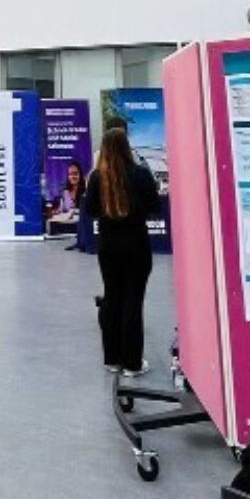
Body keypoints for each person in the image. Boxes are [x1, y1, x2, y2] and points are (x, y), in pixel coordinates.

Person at [84, 127, 160, 377]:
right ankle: (132, 363)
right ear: (126, 146)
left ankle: (112, 358)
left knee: (112, 297)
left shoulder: (96, 178)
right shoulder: (140, 174)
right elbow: (155, 207)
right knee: (133, 301)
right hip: (136, 244)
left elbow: (89, 211)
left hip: (108, 247)